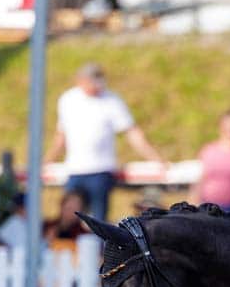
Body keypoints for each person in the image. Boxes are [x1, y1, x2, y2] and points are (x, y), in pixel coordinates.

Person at [43, 63, 166, 222]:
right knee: (69, 218)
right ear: (81, 81)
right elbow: (60, 136)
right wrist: (47, 160)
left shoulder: (112, 100)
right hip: (75, 169)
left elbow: (132, 133)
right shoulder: (68, 100)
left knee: (99, 222)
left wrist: (154, 158)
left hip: (101, 170)